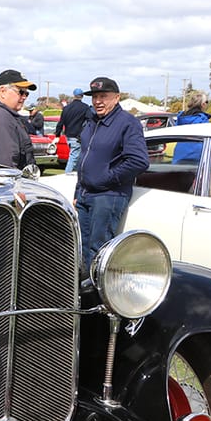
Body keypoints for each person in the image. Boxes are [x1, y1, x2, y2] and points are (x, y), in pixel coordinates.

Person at [74, 77, 149, 276]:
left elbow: (139, 161)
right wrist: (78, 190)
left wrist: (106, 178)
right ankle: (81, 288)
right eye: (94, 97)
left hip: (108, 196)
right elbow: (84, 158)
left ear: (116, 98)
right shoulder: (92, 122)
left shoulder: (127, 123)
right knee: (81, 247)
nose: (98, 101)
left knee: (98, 250)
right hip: (85, 194)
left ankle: (97, 291)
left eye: (103, 96)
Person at [55, 88, 92, 173]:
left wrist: (57, 135)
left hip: (68, 136)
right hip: (78, 136)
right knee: (74, 157)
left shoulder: (66, 108)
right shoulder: (85, 107)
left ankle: (75, 175)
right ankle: (67, 175)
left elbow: (60, 122)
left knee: (77, 157)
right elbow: (90, 120)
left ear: (74, 96)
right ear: (82, 96)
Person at [172, 92, 210, 164]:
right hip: (197, 155)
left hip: (180, 154)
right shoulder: (202, 119)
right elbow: (207, 138)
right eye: (207, 102)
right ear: (203, 104)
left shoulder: (180, 117)